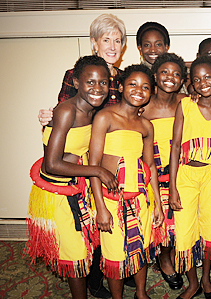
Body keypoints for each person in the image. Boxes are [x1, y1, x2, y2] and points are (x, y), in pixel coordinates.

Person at [37, 13, 129, 298]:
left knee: (91, 240)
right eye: (106, 40)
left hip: (87, 171)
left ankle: (97, 275)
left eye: (118, 40)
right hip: (66, 181)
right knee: (75, 251)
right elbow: (54, 153)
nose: (98, 88)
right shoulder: (70, 106)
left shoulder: (122, 80)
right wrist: (97, 170)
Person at [27, 55, 118, 299]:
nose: (97, 88)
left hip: (77, 188)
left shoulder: (95, 112)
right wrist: (97, 170)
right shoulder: (66, 111)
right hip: (57, 193)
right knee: (75, 256)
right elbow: (52, 164)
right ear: (76, 82)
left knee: (86, 249)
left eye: (103, 83)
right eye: (91, 82)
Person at [89, 64, 164, 299]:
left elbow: (150, 165)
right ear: (120, 86)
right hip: (111, 200)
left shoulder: (146, 126)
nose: (138, 90)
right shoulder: (105, 117)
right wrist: (100, 208)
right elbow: (94, 164)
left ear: (151, 92)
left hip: (139, 199)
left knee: (140, 249)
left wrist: (158, 204)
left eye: (145, 87)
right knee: (114, 256)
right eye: (132, 84)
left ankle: (141, 293)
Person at [169, 56, 211, 299]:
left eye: (208, 77)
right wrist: (173, 187)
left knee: (209, 229)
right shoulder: (185, 106)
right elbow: (175, 147)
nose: (203, 82)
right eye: (196, 79)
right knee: (185, 232)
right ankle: (192, 282)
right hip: (185, 174)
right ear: (191, 85)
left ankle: (205, 279)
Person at [141, 53, 188, 290]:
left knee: (178, 221)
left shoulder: (185, 101)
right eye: (165, 72)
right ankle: (164, 259)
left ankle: (169, 254)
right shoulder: (143, 103)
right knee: (162, 222)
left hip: (181, 169)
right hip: (152, 169)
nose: (171, 77)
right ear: (155, 76)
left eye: (177, 74)